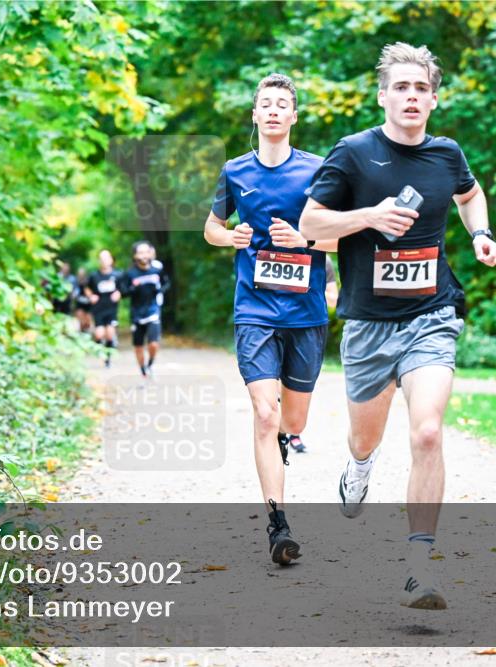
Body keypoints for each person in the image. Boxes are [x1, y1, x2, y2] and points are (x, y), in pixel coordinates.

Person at [300, 43, 496, 609]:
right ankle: (360, 466)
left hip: (431, 314)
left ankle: (418, 567)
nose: (412, 97)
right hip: (368, 323)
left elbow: (470, 194)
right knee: (365, 437)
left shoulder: (447, 154)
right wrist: (369, 215)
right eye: (401, 87)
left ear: (433, 100)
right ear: (383, 96)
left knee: (428, 432)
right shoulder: (354, 153)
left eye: (421, 89)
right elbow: (310, 223)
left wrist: (480, 234)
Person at [203, 73, 338, 566]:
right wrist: (230, 237)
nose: (275, 110)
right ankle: (278, 525)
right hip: (255, 310)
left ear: (293, 116)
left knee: (291, 421)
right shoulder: (235, 171)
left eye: (283, 104)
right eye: (267, 103)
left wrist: (304, 240)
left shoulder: (318, 170)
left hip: (305, 313)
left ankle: (283, 439)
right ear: (256, 114)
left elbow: (344, 237)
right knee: (265, 414)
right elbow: (211, 227)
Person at [283, 255, 338, 456]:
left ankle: (292, 430)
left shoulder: (323, 260)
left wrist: (313, 288)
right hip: (274, 321)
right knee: (274, 381)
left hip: (306, 325)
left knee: (296, 387)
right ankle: (278, 430)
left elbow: (333, 299)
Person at [121, 240, 170, 378]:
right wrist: (133, 288)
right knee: (138, 346)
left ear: (150, 254)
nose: (143, 255)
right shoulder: (130, 273)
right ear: (135, 255)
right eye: (140, 252)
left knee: (153, 343)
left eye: (146, 252)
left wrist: (159, 289)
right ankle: (143, 370)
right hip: (136, 313)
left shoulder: (157, 271)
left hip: (153, 310)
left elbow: (166, 283)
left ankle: (151, 364)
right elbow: (123, 293)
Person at [86, 250, 122, 367]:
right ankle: (101, 351)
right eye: (101, 259)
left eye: (106, 258)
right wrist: (91, 296)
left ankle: (108, 359)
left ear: (111, 260)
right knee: (99, 334)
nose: (104, 261)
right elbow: (87, 288)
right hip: (98, 309)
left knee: (110, 334)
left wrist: (119, 293)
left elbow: (124, 288)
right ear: (99, 261)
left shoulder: (118, 275)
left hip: (111, 308)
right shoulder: (94, 275)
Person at [73, 267, 93, 334]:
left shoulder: (89, 281)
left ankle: (87, 332)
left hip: (88, 304)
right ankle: (82, 333)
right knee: (81, 320)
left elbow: (92, 292)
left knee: (88, 321)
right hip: (79, 304)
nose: (81, 275)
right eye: (79, 274)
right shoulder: (75, 282)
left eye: (82, 274)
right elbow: (74, 293)